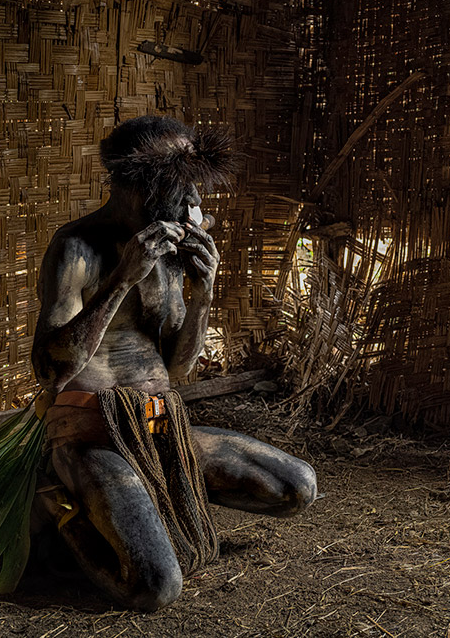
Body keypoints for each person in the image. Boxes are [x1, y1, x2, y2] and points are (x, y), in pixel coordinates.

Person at [30, 115, 317, 611]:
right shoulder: (76, 248)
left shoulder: (169, 252)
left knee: (297, 488)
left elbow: (178, 371)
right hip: (92, 433)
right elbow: (50, 370)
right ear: (135, 187)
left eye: (195, 194)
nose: (194, 209)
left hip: (163, 425)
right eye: (181, 193)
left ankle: (160, 495)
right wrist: (121, 279)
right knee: (157, 587)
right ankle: (61, 508)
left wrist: (204, 293)